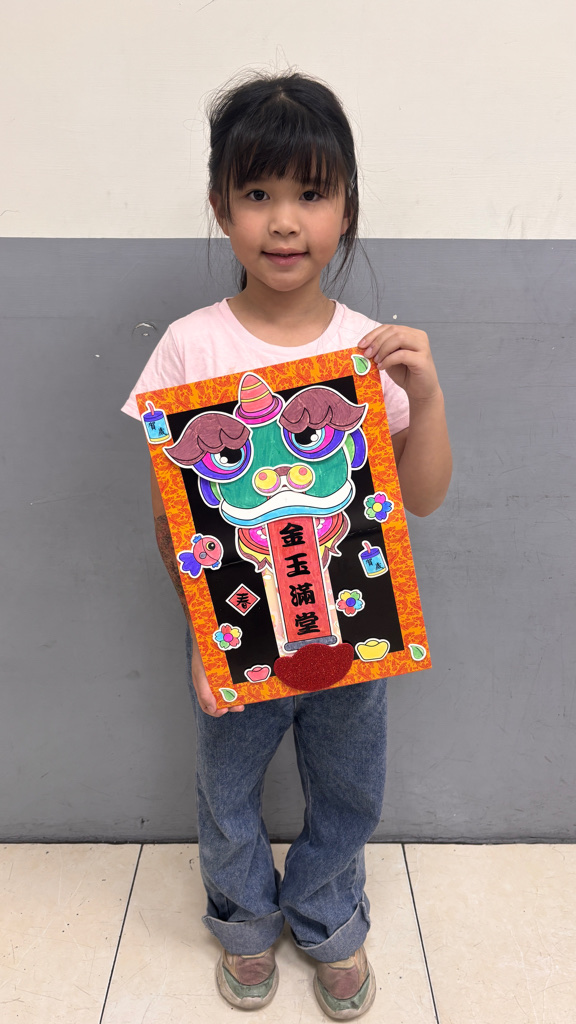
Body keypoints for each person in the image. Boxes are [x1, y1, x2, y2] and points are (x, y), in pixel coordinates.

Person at [122, 71, 451, 1020]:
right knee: (225, 786)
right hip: (237, 633)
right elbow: (172, 515)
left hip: (356, 627)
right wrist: (208, 633)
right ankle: (241, 920)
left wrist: (425, 394)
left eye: (311, 192)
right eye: (257, 193)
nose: (283, 221)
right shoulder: (190, 349)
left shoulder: (367, 350)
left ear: (346, 208)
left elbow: (422, 498)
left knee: (349, 785)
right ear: (219, 205)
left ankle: (328, 916)